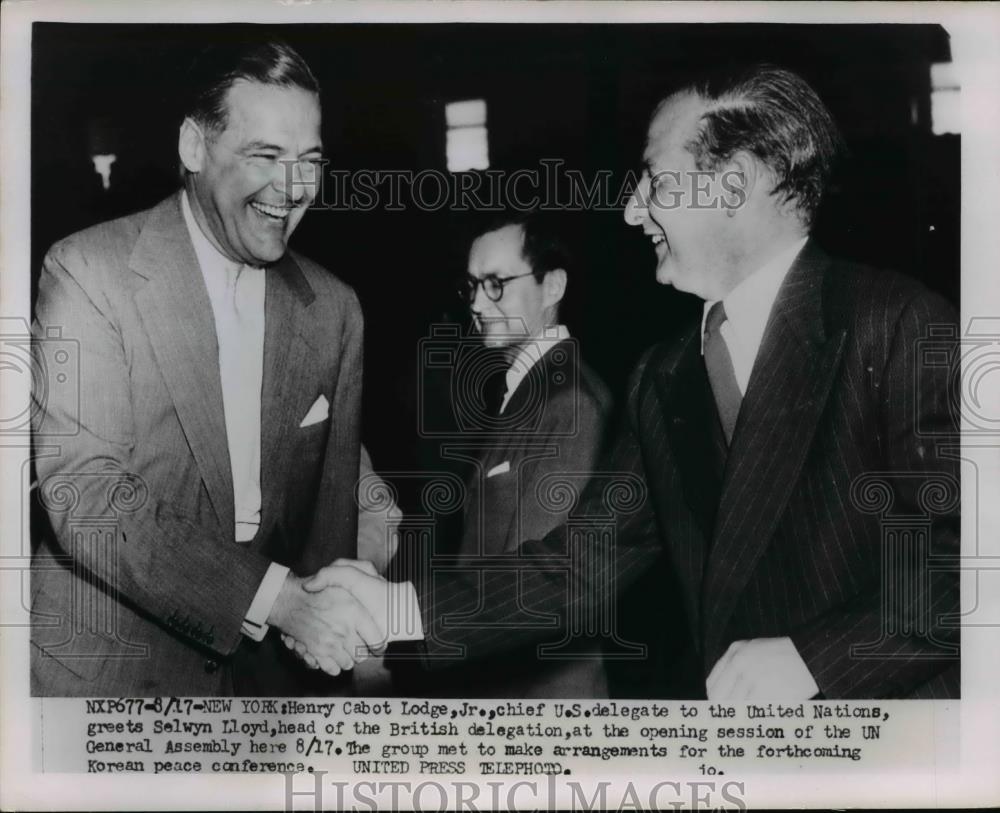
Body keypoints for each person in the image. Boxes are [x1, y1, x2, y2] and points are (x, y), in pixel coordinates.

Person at [306, 64, 960, 700]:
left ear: (731, 187)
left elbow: (969, 562)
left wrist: (817, 659)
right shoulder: (663, 377)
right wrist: (396, 608)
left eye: (653, 181)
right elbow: (578, 568)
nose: (630, 210)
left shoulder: (895, 324)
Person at [30, 39, 395, 697]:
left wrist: (332, 635)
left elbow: (330, 520)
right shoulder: (88, 272)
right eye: (266, 156)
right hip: (109, 682)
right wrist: (281, 600)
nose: (293, 189)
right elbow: (86, 493)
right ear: (194, 148)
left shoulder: (335, 308)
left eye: (310, 161)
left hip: (264, 690)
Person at [430, 212, 613, 697]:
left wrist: (403, 627)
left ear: (552, 287)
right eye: (471, 286)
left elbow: (539, 592)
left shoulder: (569, 402)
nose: (477, 303)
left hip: (541, 700)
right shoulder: (529, 390)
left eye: (496, 284)